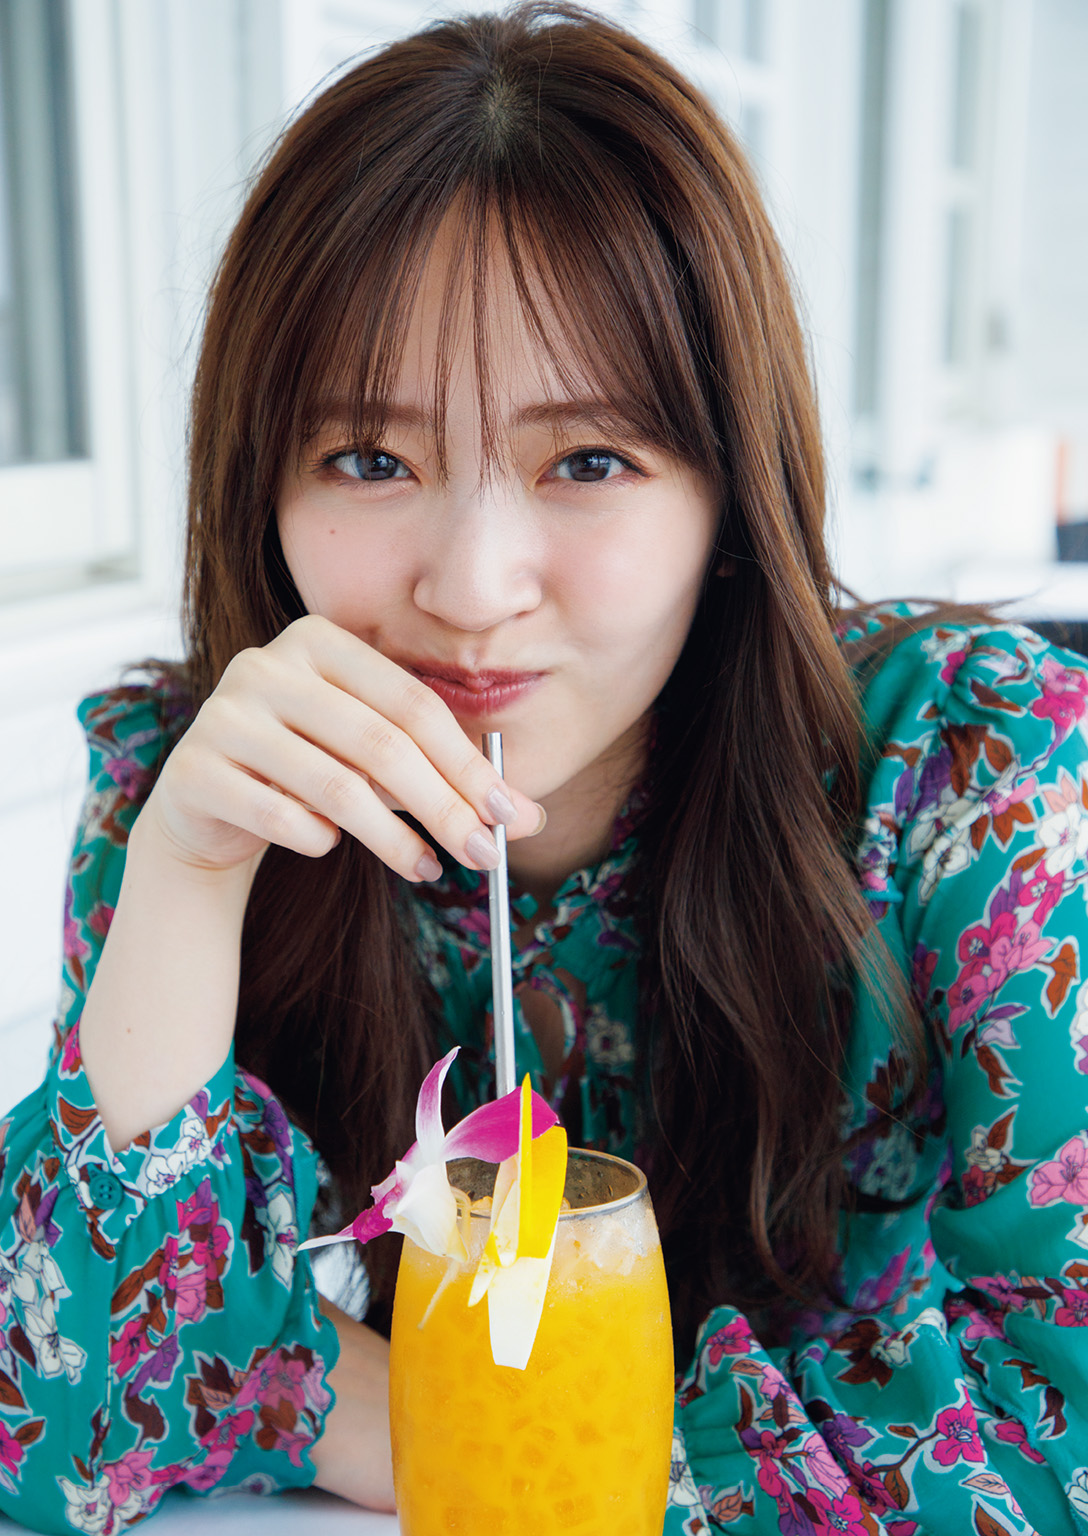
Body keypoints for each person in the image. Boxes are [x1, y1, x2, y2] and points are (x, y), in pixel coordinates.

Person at [2, 3, 1088, 1531]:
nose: (471, 585)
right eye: (370, 459)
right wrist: (187, 879)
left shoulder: (971, 774)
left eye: (588, 461)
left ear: (731, 495)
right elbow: (59, 1417)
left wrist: (400, 1420)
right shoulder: (206, 789)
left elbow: (1059, 1421)